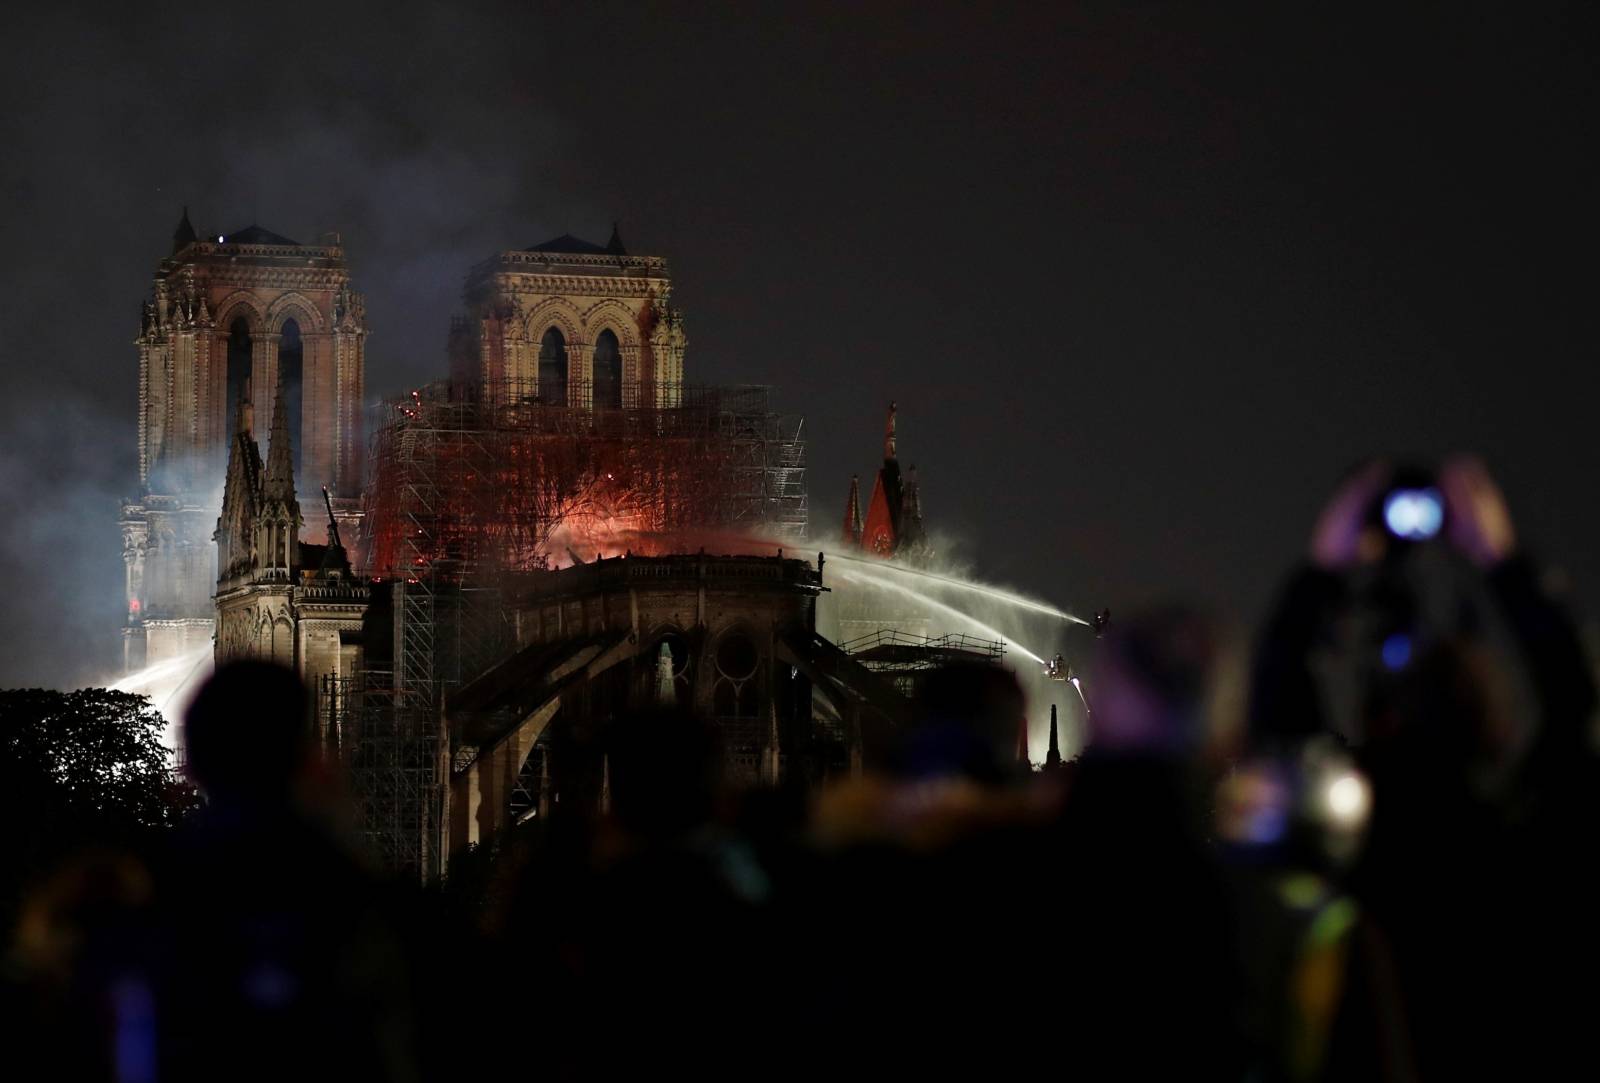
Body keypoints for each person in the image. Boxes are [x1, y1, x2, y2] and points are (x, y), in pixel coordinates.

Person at [1249, 457, 1599, 1080]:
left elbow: (1280, 720)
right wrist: (1506, 563)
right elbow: (1573, 712)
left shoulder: (1347, 848)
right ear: (1489, 719)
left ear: (1378, 716)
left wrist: (1322, 574)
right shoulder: (1528, 841)